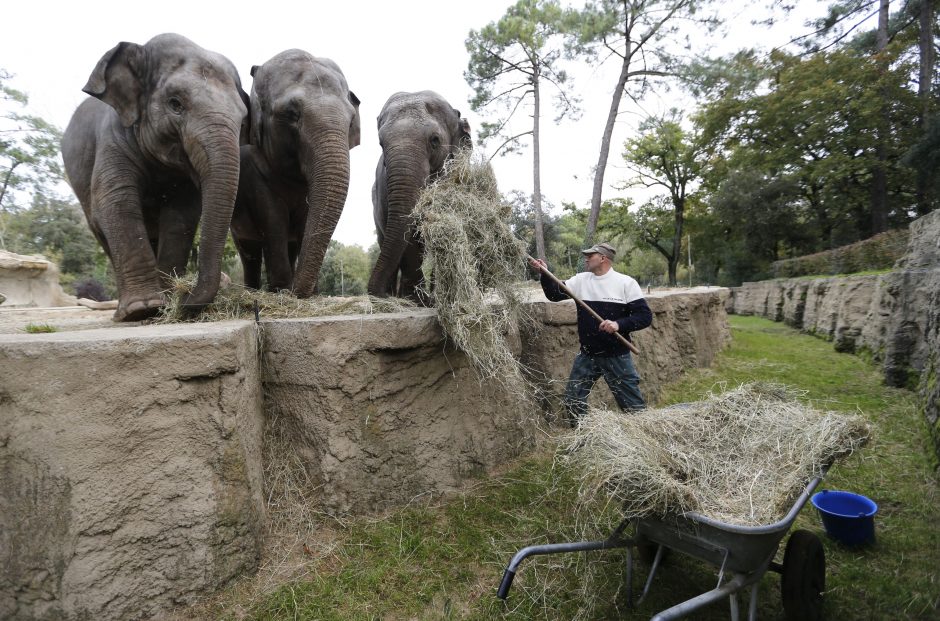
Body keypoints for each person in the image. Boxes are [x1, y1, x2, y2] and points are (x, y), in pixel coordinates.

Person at [529, 242, 653, 426]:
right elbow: (554, 294)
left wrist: (618, 324)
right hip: (587, 355)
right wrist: (544, 274)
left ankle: (643, 440)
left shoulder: (625, 283)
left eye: (591, 255)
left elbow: (645, 316)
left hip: (616, 356)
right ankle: (584, 439)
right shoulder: (581, 280)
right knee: (573, 400)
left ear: (603, 258)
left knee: (632, 406)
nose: (586, 258)